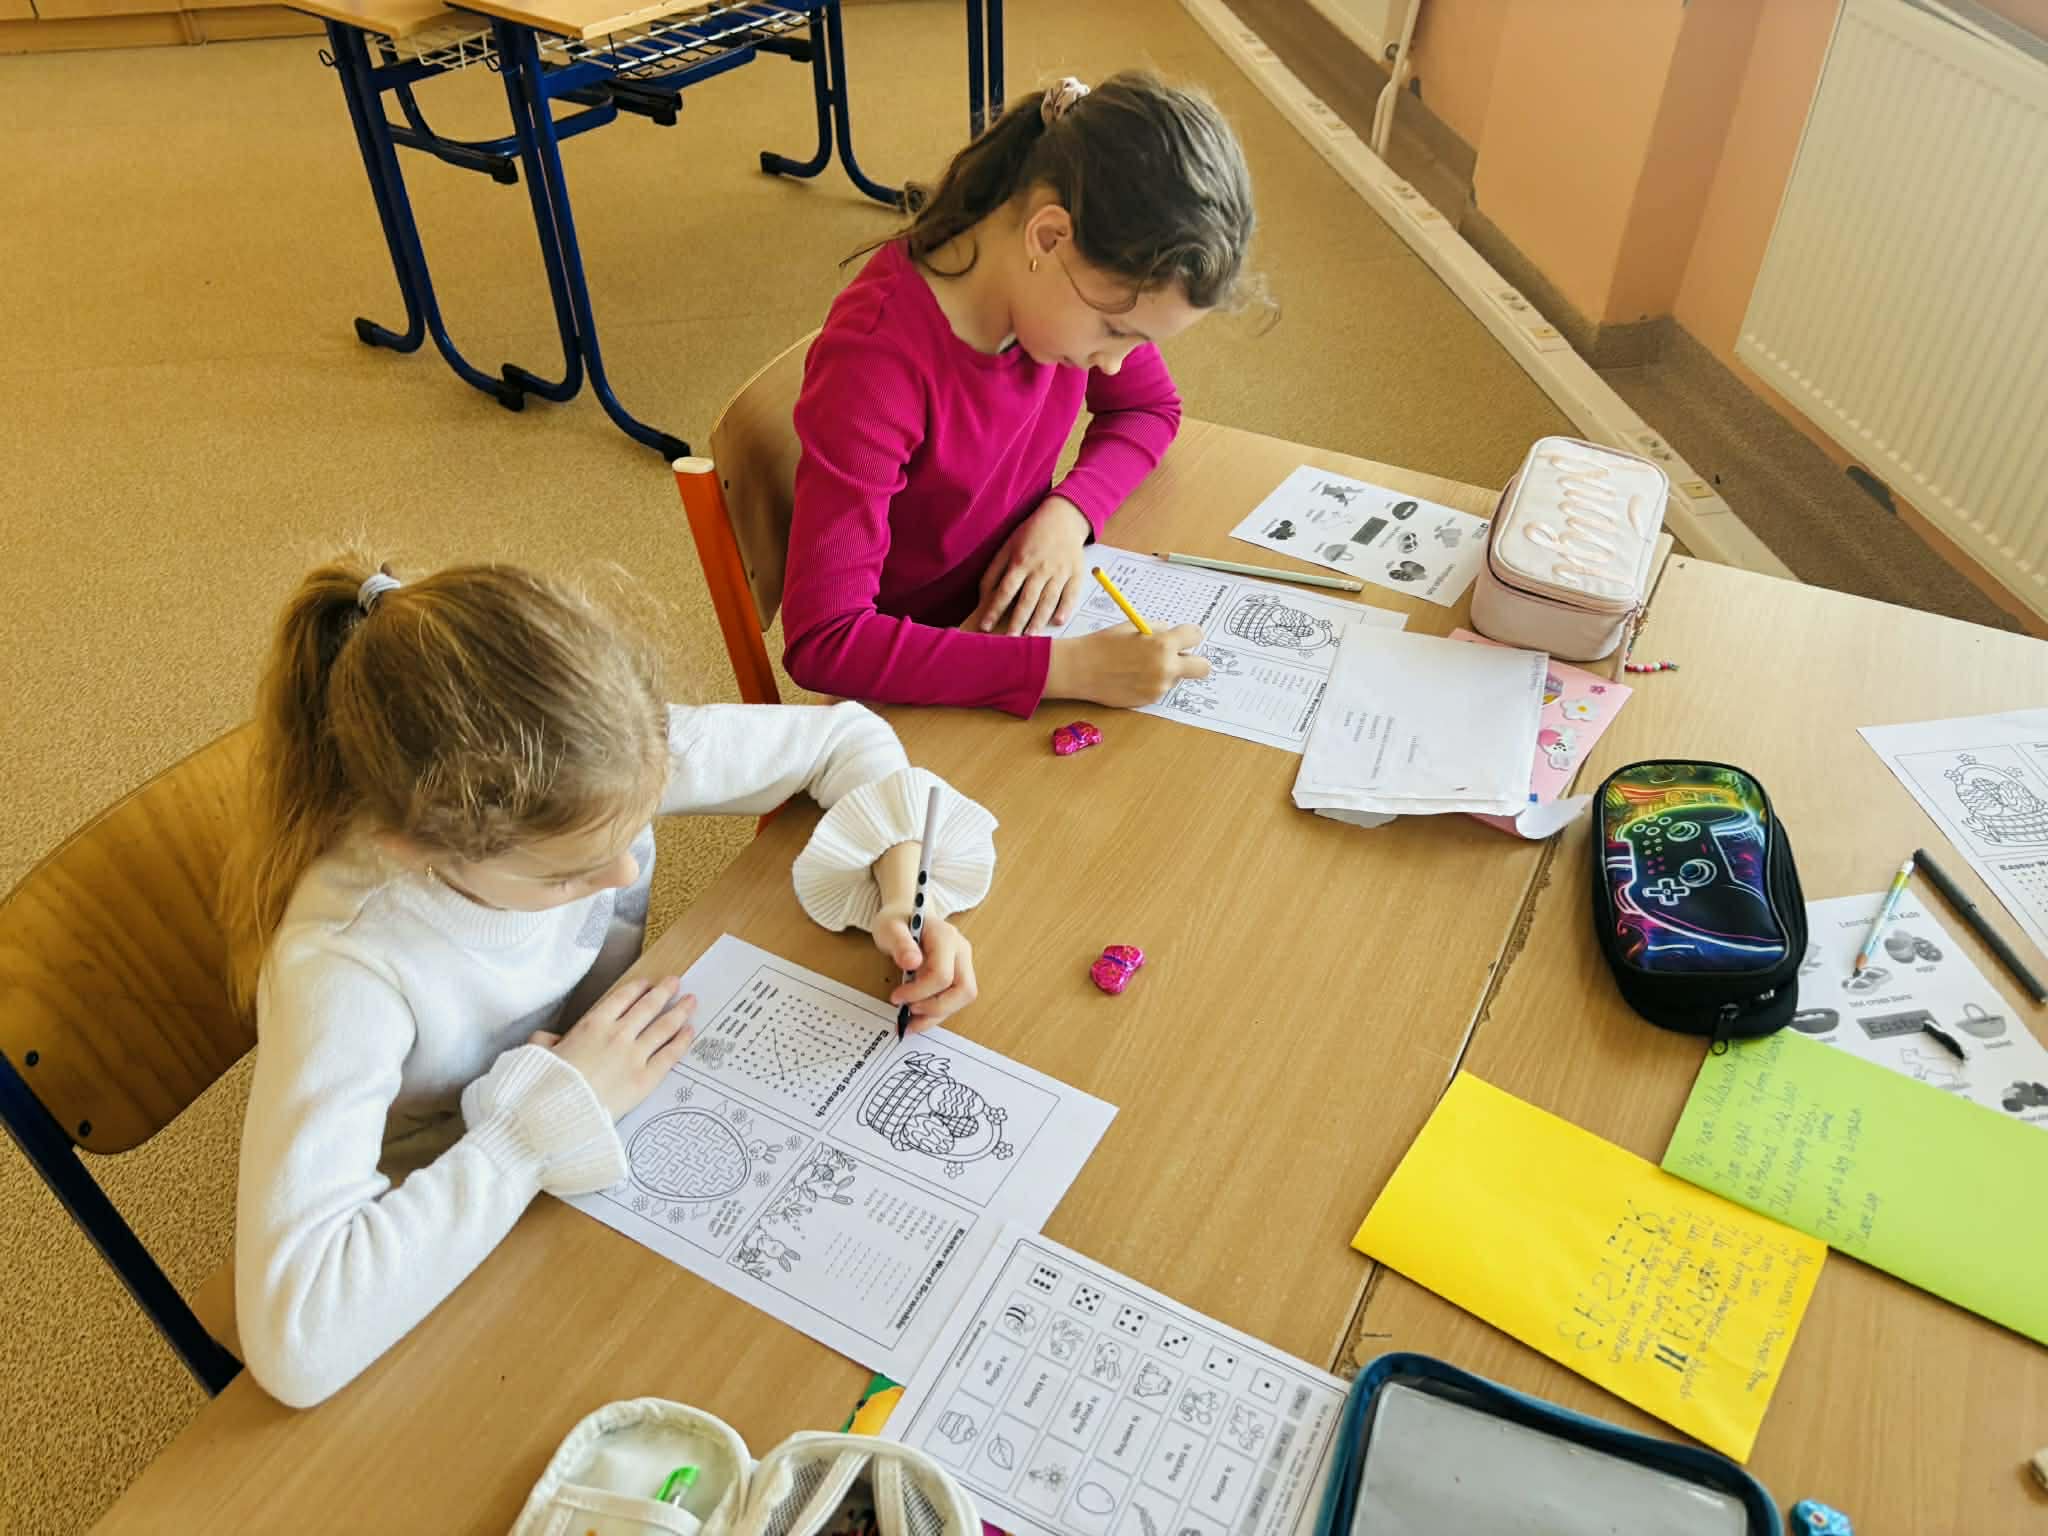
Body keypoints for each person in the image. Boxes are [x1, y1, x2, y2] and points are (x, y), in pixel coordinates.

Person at [219, 557, 998, 1406]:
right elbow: (296, 1343)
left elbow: (845, 739)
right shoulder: (346, 964)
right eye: (570, 875)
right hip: (452, 1185)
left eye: (634, 827)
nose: (625, 871)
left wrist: (904, 890)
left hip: (592, 1116)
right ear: (418, 850)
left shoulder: (597, 754)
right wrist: (533, 1128)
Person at [782, 71, 1260, 717]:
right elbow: (826, 640)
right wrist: (1067, 669)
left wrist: (1070, 512)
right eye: (1115, 330)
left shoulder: (1055, 298)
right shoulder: (874, 365)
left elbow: (1148, 408)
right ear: (1048, 237)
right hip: (922, 675)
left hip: (1015, 619)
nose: (1115, 364)